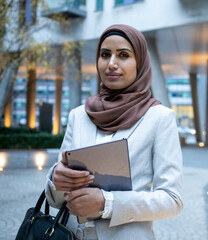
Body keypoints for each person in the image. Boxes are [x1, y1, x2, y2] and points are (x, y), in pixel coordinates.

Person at [45, 24, 183, 239]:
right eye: (105, 54)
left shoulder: (159, 118)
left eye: (123, 55)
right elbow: (56, 200)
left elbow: (172, 200)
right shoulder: (79, 115)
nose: (111, 64)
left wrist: (107, 204)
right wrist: (56, 179)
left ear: (140, 63)